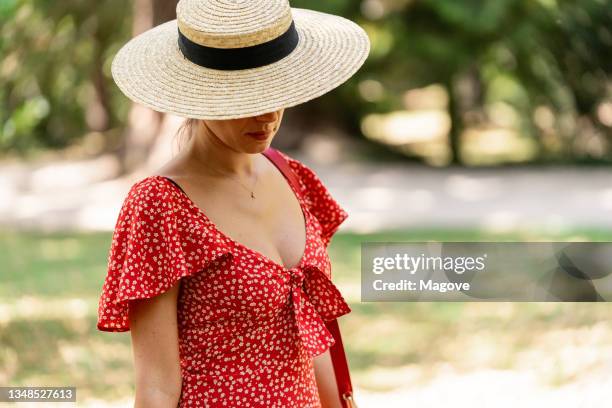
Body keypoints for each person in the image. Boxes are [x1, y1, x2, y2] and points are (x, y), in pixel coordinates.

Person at [96, 0, 370, 407]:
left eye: (277, 90)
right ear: (199, 95)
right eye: (244, 97)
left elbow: (314, 340)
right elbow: (156, 384)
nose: (267, 115)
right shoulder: (160, 205)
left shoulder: (293, 177)